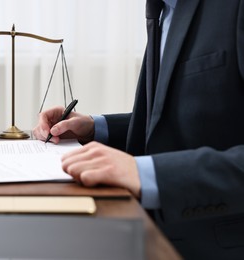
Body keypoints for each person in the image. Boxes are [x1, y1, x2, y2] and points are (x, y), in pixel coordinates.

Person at [33, 0, 244, 259]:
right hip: (149, 232)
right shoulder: (163, 11)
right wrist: (94, 128)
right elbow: (173, 120)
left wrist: (147, 174)